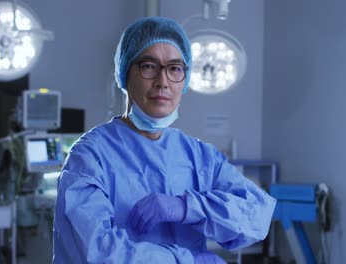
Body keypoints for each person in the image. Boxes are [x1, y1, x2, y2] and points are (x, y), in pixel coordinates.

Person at [53, 16, 276, 264]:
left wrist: (186, 207)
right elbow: (100, 252)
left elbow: (258, 215)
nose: (163, 82)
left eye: (175, 68)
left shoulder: (198, 155)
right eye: (149, 66)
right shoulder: (89, 157)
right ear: (126, 73)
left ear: (185, 80)